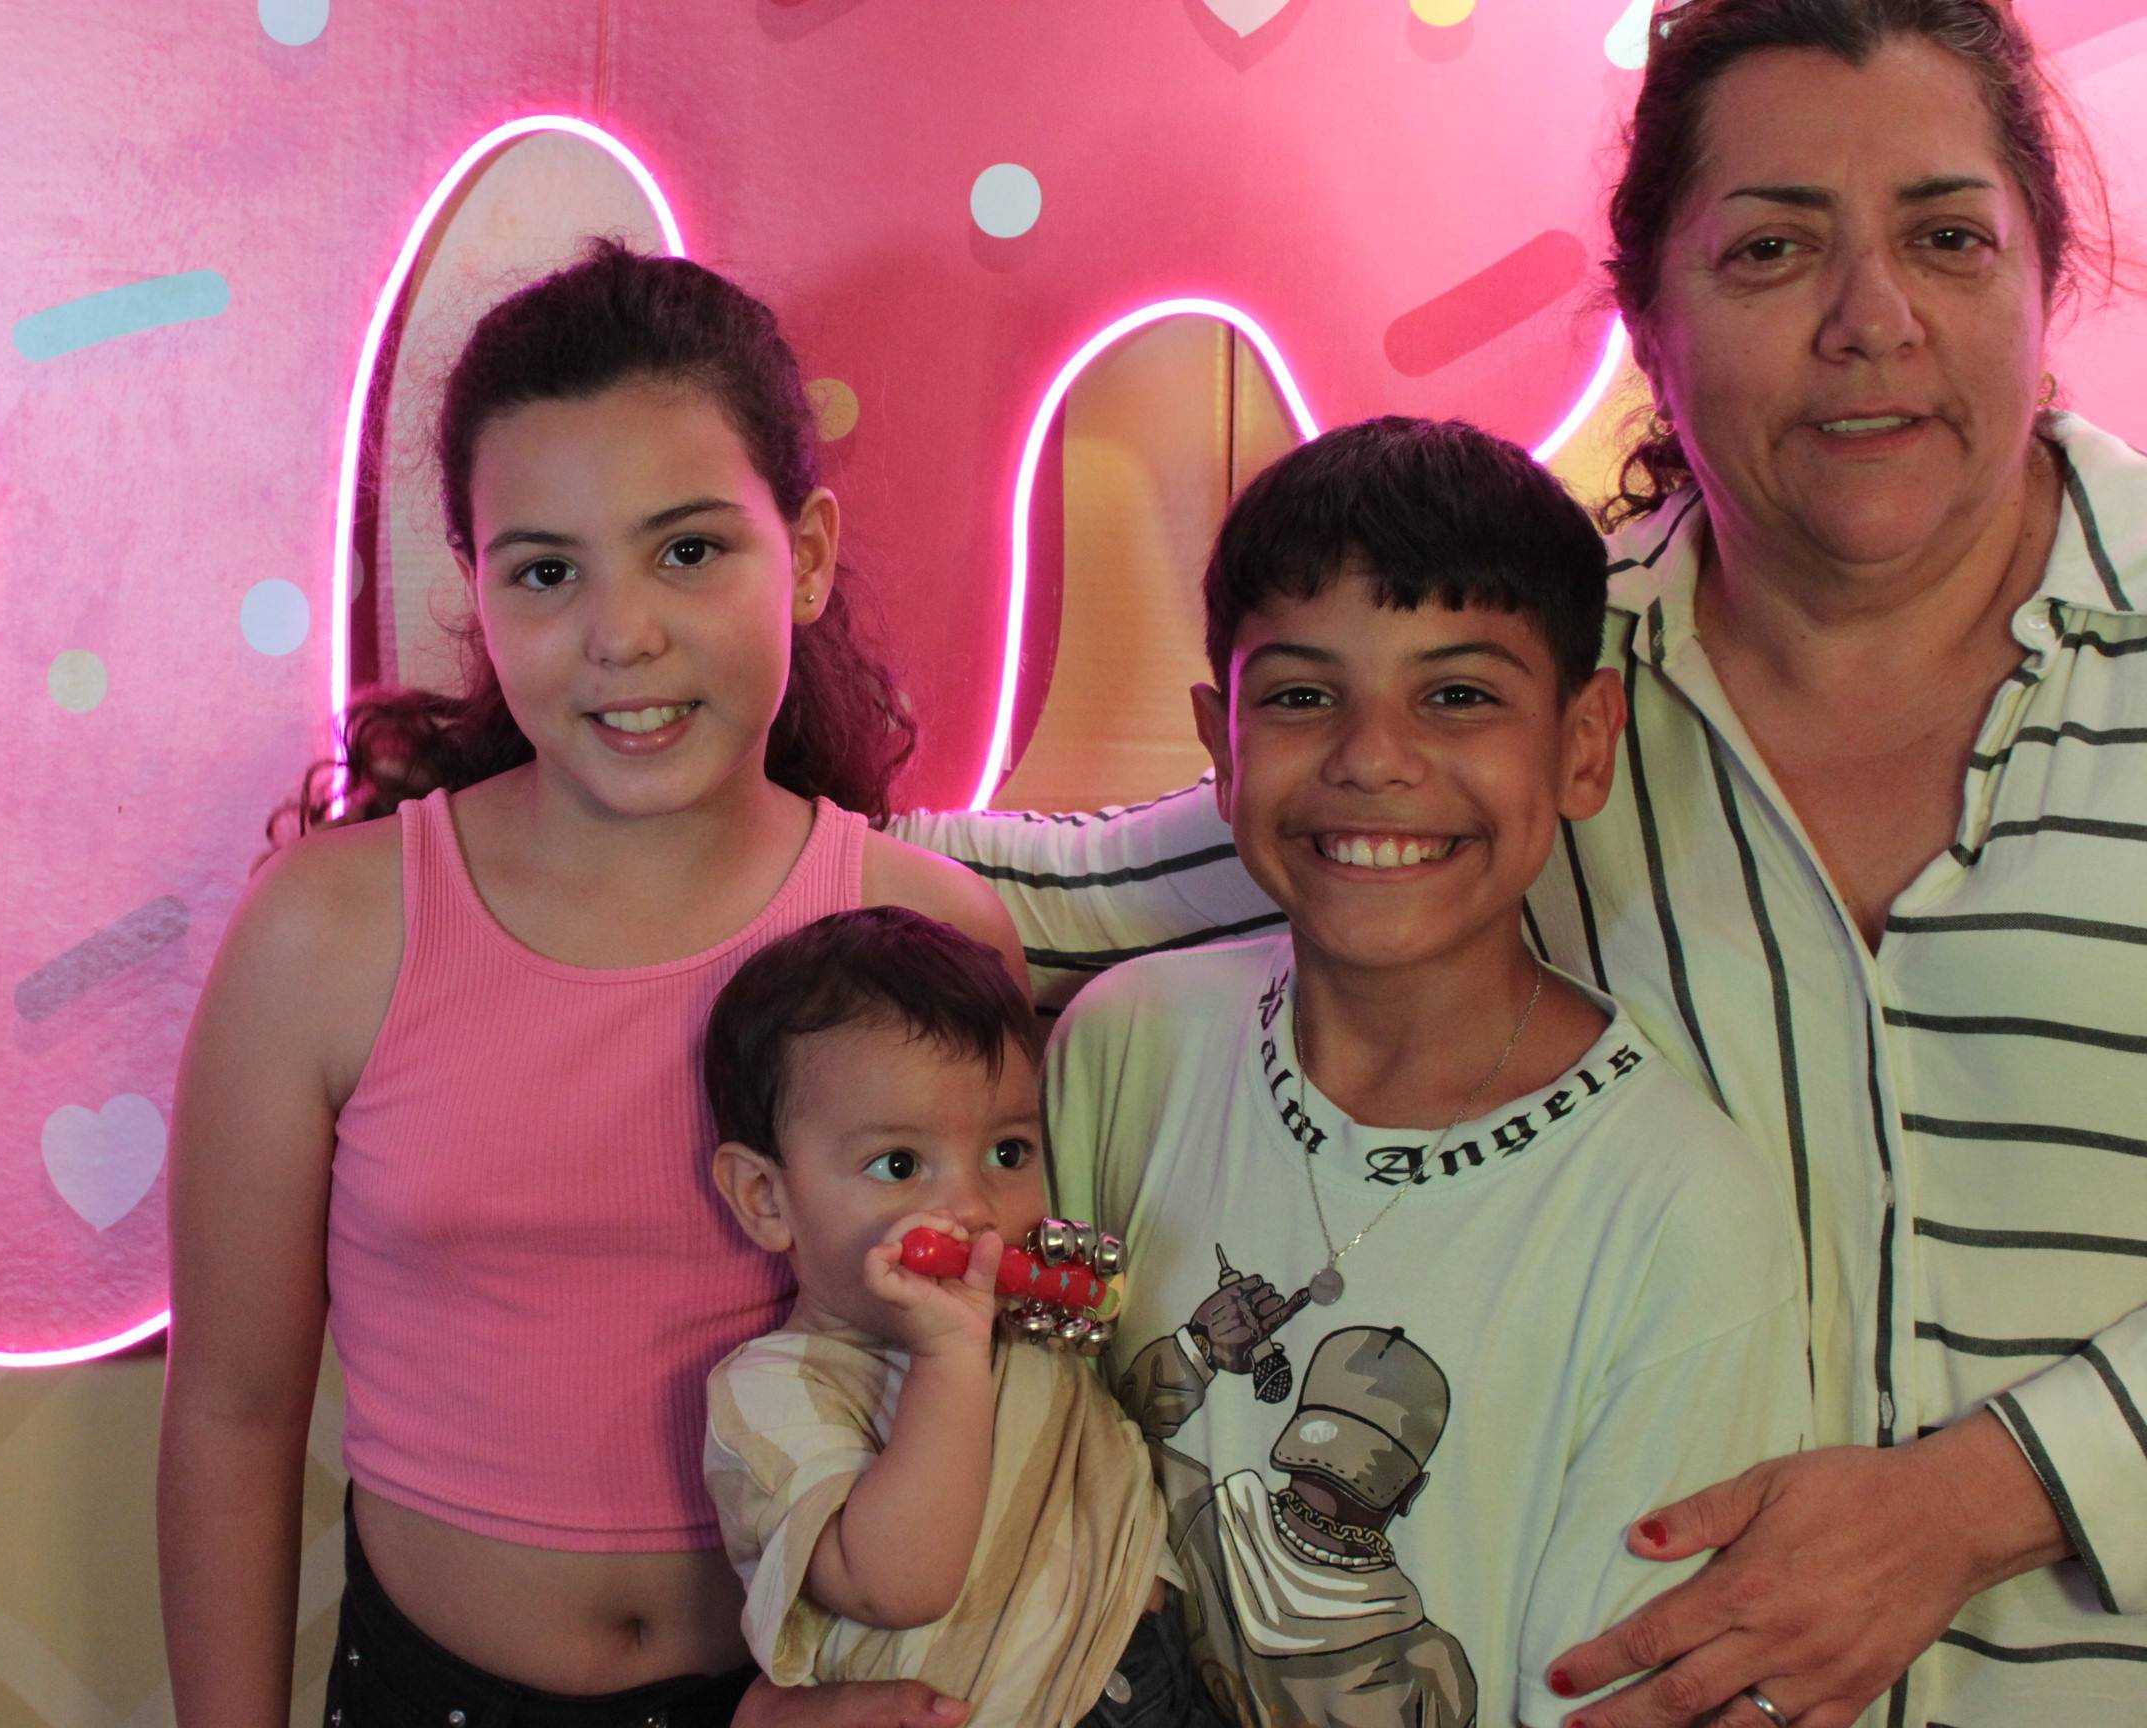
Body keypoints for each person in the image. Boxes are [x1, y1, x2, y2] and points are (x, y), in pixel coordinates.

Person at [897, 6, 2147, 1724]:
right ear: (1648, 318)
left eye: (1946, 237)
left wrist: (1980, 1498)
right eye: (1772, 248)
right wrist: (597, 794)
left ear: (2046, 270)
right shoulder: (1512, 698)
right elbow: (1071, 890)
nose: (1873, 319)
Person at [158, 241, 1016, 1728]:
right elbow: (233, 1413)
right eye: (548, 571)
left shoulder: (926, 933)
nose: (623, 635)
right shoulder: (327, 937)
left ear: (807, 557)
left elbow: (989, 1375)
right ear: (480, 595)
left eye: (689, 551)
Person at [1038, 415, 1811, 1728]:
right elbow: (1023, 1443)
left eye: (1458, 695)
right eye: (1301, 696)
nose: (1371, 757)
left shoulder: (1679, 1211)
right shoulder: (1127, 1048)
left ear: (1584, 743)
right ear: (1221, 748)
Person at [698, 907, 1220, 1728]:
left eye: (1008, 1153)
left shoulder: (1025, 1314)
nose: (974, 1207)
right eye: (899, 1164)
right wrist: (947, 1360)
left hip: (1161, 1673)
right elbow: (899, 1584)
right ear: (767, 1198)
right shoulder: (773, 1392)